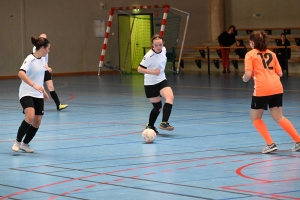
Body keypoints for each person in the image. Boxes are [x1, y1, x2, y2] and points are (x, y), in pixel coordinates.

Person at [242, 30, 300, 154]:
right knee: (279, 117)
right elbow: (280, 73)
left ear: (252, 42)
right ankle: (298, 141)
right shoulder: (272, 54)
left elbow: (247, 75)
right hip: (277, 87)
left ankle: (270, 143)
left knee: (255, 117)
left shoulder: (250, 55)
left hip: (262, 89)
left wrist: (244, 78)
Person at [12, 36, 50, 153]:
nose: (49, 51)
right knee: (30, 115)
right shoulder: (30, 59)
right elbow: (20, 73)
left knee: (37, 120)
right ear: (42, 48)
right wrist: (34, 85)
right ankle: (17, 142)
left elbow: (39, 78)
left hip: (38, 93)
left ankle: (25, 144)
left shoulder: (43, 59)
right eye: (48, 48)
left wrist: (43, 91)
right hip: (26, 92)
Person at [137, 34, 174, 134]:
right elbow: (139, 69)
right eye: (156, 45)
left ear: (163, 44)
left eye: (160, 45)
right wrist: (154, 72)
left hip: (161, 80)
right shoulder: (149, 56)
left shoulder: (164, 50)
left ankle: (164, 122)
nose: (158, 47)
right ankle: (150, 125)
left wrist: (160, 72)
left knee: (170, 97)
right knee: (157, 108)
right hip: (150, 83)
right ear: (152, 45)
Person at [33, 33, 68, 111]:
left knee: (51, 87)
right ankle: (35, 106)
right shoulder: (36, 49)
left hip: (45, 71)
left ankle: (58, 105)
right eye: (43, 38)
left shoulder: (46, 48)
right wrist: (47, 67)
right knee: (38, 89)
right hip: (39, 71)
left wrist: (46, 67)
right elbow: (40, 60)